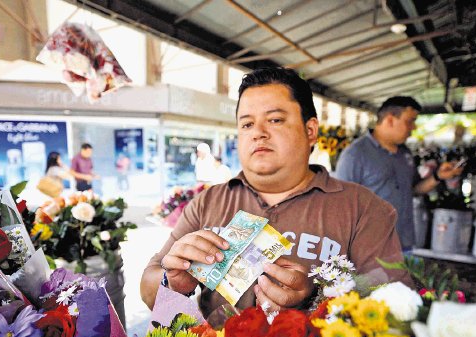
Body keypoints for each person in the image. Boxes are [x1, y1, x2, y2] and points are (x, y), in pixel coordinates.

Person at [140, 67, 409, 318]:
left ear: (310, 130)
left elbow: (395, 307)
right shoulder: (207, 202)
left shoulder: (364, 209)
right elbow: (149, 289)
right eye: (246, 124)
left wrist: (315, 300)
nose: (258, 132)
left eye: (275, 119)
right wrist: (171, 280)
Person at [335, 97, 464, 250]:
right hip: (370, 247)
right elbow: (341, 207)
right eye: (410, 121)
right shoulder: (355, 155)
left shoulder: (405, 154)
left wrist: (438, 176)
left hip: (403, 241)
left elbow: (414, 189)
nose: (413, 127)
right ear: (390, 120)